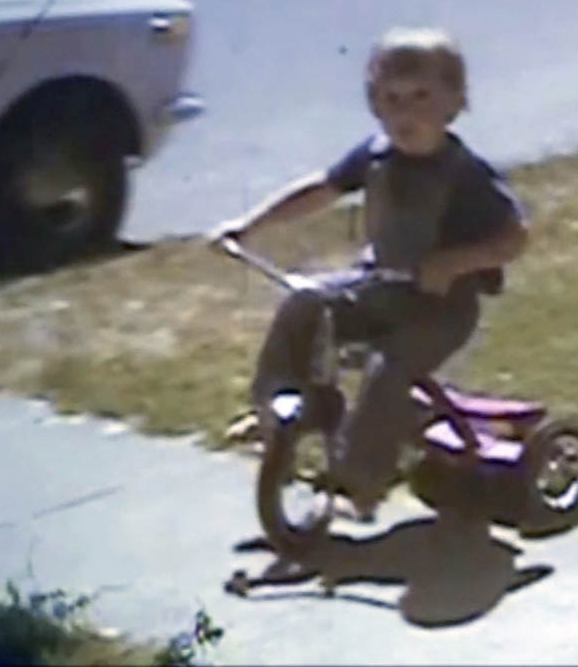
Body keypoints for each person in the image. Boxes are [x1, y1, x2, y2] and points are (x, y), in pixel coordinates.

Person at [211, 27, 529, 516]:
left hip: (441, 310)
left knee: (388, 370)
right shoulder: (377, 155)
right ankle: (279, 408)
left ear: (455, 102)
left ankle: (359, 483)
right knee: (306, 302)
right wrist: (251, 225)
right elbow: (322, 189)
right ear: (375, 104)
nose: (406, 112)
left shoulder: (466, 175)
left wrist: (452, 263)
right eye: (391, 98)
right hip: (381, 287)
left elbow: (514, 238)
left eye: (422, 96)